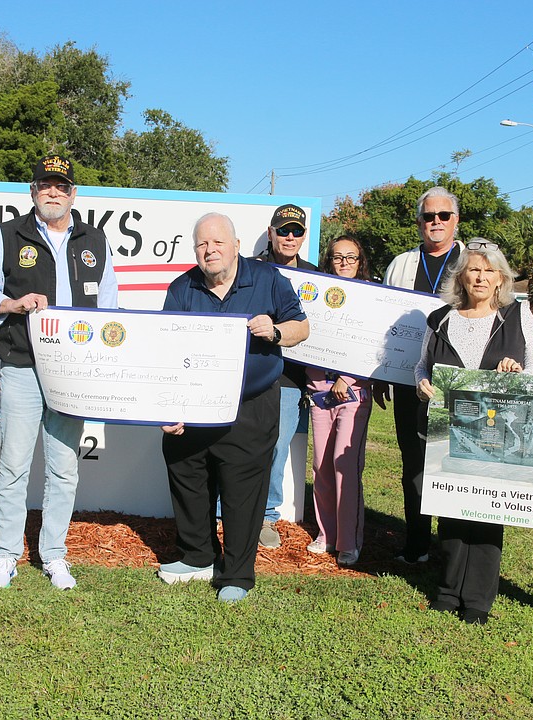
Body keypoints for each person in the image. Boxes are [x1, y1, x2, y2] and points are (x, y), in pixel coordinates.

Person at [0, 154, 118, 590]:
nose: (53, 192)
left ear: (74, 193)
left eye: (62, 185)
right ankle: (6, 556)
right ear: (32, 191)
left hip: (73, 371)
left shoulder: (95, 239)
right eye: (45, 185)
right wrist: (11, 304)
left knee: (64, 466)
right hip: (21, 364)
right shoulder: (10, 233)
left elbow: (109, 306)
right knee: (14, 463)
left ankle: (54, 555)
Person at [157, 212, 309, 602]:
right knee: (187, 472)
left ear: (237, 245)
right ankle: (197, 557)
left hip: (251, 404)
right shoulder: (181, 288)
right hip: (194, 404)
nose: (210, 251)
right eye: (202, 244)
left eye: (218, 242)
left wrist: (275, 331)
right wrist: (169, 407)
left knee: (244, 489)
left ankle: (237, 574)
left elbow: (301, 327)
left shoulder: (268, 279)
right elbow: (166, 350)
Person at [414, 239, 533, 624]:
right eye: (474, 269)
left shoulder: (518, 317)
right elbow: (422, 366)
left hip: (498, 432)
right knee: (452, 507)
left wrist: (518, 373)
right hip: (448, 430)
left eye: (489, 271)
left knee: (487, 510)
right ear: (461, 276)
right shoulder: (440, 318)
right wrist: (422, 384)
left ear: (501, 278)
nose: (481, 277)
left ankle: (477, 600)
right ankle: (448, 589)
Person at [375, 186, 464, 564]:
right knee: (413, 463)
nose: (436, 223)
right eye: (429, 216)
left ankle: (452, 547)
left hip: (459, 384)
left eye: (443, 216)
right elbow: (382, 324)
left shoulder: (472, 262)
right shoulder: (401, 264)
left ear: (455, 220)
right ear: (419, 222)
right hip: (410, 380)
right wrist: (380, 372)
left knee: (456, 463)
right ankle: (417, 544)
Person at [306, 236, 374, 566]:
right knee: (321, 466)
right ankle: (326, 534)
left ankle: (349, 541)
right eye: (337, 257)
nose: (344, 262)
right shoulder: (317, 295)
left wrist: (349, 376)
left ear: (361, 261)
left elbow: (376, 346)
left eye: (351, 257)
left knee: (343, 466)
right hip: (320, 394)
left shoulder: (372, 297)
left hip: (352, 395)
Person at [254, 203, 319, 548]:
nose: (289, 237)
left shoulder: (317, 276)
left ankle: (266, 516)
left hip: (291, 377)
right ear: (271, 233)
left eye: (296, 231)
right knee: (237, 444)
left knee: (276, 448)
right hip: (251, 372)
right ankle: (225, 511)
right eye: (283, 230)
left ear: (304, 236)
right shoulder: (251, 270)